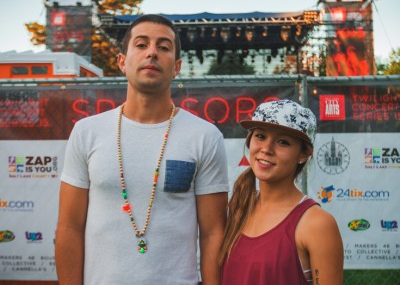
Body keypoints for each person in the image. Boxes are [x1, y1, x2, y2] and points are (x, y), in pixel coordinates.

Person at [55, 14, 229, 285]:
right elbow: (69, 227)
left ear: (177, 66)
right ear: (122, 62)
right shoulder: (87, 132)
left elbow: (213, 234)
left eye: (163, 46)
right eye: (141, 44)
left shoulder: (205, 137)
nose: (152, 53)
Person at [219, 99, 343, 285]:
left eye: (283, 142)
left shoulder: (317, 224)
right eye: (260, 136)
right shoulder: (239, 208)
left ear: (303, 154)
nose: (266, 149)